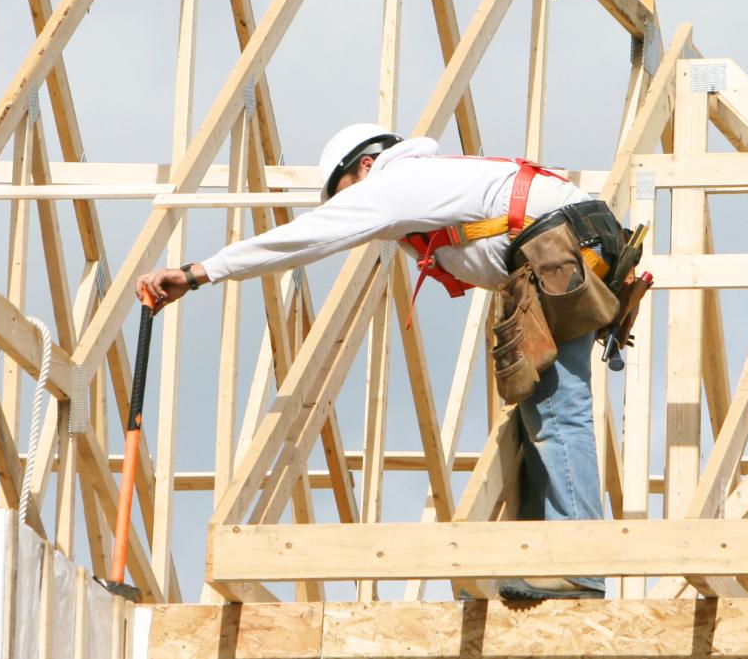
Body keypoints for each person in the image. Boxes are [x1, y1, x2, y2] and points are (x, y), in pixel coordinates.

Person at [137, 123, 635, 600]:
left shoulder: (397, 182)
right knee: (541, 412)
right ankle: (549, 558)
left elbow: (304, 238)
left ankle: (576, 564)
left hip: (557, 247)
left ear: (365, 165)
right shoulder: (431, 181)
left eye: (345, 193)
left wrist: (201, 272)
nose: (349, 207)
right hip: (575, 244)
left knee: (557, 412)